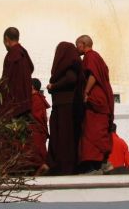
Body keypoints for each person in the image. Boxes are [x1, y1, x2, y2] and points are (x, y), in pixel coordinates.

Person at [75, 35, 114, 173]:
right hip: (102, 99)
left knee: (92, 133)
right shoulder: (98, 57)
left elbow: (93, 75)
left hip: (95, 99)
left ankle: (96, 164)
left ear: (84, 44)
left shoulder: (90, 56)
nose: (76, 48)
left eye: (77, 44)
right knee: (97, 131)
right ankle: (101, 162)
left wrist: (86, 92)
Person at [46, 41, 83, 175]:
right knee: (63, 138)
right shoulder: (69, 64)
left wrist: (53, 86)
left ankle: (64, 166)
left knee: (64, 139)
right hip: (63, 106)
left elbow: (71, 79)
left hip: (65, 107)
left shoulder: (68, 65)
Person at [0, 27, 34, 120]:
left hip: (14, 105)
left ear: (6, 39)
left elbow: (7, 79)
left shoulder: (12, 54)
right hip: (25, 102)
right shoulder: (23, 52)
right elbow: (31, 68)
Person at [30, 78, 50, 175]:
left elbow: (35, 116)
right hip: (38, 129)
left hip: (35, 129)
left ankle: (41, 166)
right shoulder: (37, 98)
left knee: (35, 150)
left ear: (32, 86)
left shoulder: (36, 98)